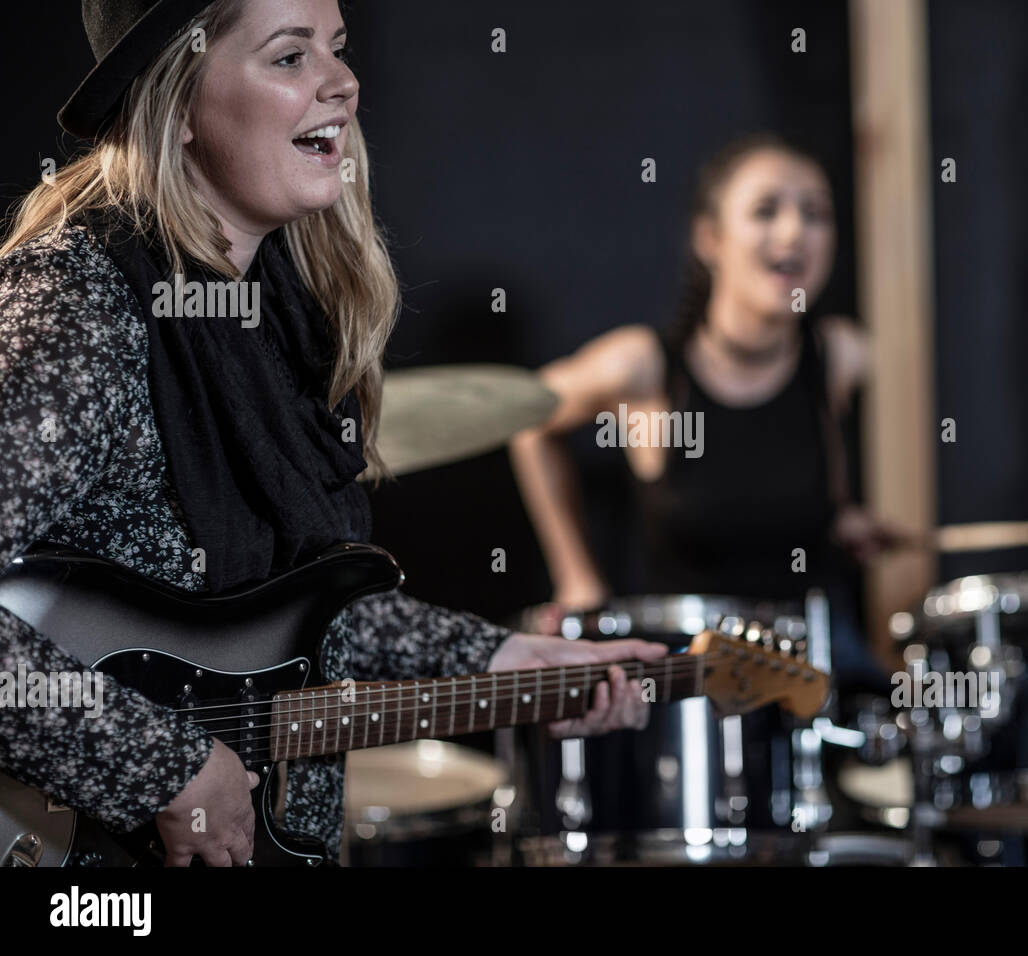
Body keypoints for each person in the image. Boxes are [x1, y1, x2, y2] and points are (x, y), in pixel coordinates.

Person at [0, 0, 662, 868]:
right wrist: (163, 768)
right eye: (289, 57)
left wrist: (503, 660)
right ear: (178, 101)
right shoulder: (76, 301)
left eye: (339, 49)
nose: (343, 83)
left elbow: (290, 625)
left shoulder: (281, 314)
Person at [510, 132, 907, 692]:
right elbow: (525, 419)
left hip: (813, 662)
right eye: (767, 210)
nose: (795, 232)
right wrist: (576, 578)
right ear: (711, 238)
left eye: (815, 213)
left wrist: (839, 517)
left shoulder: (839, 355)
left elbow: (815, 476)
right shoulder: (646, 369)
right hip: (689, 670)